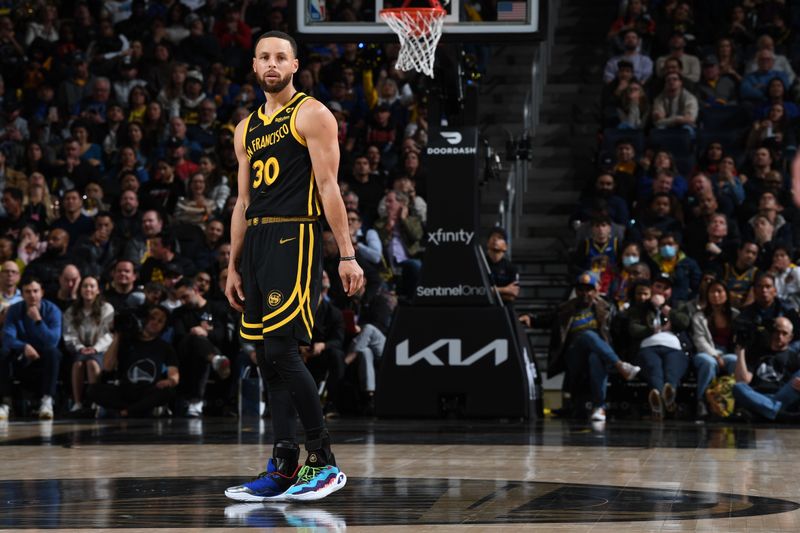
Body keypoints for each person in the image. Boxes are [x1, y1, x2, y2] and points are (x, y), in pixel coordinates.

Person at [224, 32, 363, 503]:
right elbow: (242, 201)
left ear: (295, 65)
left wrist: (345, 253)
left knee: (283, 351)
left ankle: (323, 462)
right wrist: (232, 264)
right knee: (266, 356)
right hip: (258, 240)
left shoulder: (312, 113)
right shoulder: (244, 129)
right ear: (254, 63)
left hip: (295, 236)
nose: (271, 63)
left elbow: (329, 188)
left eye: (280, 56)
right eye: (264, 56)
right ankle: (283, 465)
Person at [521, 271, 641, 422]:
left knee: (596, 358)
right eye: (581, 289)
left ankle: (599, 407)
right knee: (587, 335)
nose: (584, 293)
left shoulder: (608, 309)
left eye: (588, 289)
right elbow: (546, 319)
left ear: (596, 290)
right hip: (573, 357)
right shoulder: (565, 309)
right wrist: (530, 318)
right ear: (575, 291)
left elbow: (619, 330)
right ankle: (620, 365)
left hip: (597, 355)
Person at [87, 305, 179, 418]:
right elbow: (107, 367)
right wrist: (117, 336)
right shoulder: (126, 341)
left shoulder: (165, 347)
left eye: (160, 321)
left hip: (149, 390)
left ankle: (126, 411)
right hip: (125, 390)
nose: (155, 322)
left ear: (164, 327)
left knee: (168, 392)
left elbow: (174, 375)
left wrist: (169, 381)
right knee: (93, 390)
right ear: (145, 319)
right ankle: (139, 409)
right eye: (152, 318)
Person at [627, 273, 692, 420]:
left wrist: (663, 307)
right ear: (652, 288)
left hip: (674, 347)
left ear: (671, 291)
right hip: (647, 347)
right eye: (658, 286)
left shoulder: (679, 305)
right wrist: (652, 329)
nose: (661, 290)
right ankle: (662, 399)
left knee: (671, 370)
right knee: (654, 368)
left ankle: (664, 399)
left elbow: (684, 322)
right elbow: (633, 329)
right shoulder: (640, 308)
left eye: (666, 287)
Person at [0, 277, 62, 420]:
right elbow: (8, 338)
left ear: (42, 293)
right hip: (21, 356)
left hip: (43, 357)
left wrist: (38, 321)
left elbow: (53, 340)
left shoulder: (53, 310)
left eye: (35, 291)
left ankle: (47, 400)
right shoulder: (14, 310)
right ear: (22, 294)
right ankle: (5, 402)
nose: (32, 295)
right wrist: (24, 346)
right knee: (3, 353)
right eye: (28, 292)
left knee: (53, 352)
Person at [172, 278, 232, 417]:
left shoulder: (216, 308)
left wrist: (206, 332)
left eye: (185, 296)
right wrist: (200, 331)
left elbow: (221, 335)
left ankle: (196, 401)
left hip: (204, 352)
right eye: (180, 298)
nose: (183, 301)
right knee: (195, 338)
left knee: (201, 354)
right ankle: (216, 360)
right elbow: (180, 335)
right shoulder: (179, 313)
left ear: (196, 290)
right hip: (185, 352)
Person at [63, 276, 114, 413]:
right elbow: (69, 334)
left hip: (100, 350)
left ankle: (95, 402)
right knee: (78, 364)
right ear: (80, 290)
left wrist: (96, 348)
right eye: (85, 286)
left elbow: (108, 334)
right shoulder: (71, 311)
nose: (88, 289)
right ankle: (78, 403)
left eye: (92, 286)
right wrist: (80, 348)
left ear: (98, 290)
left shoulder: (106, 309)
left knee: (92, 363)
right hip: (80, 349)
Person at [733, 316, 800, 420]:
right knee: (738, 387)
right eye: (777, 332)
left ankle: (767, 412)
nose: (779, 336)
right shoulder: (757, 353)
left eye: (784, 333)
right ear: (771, 332)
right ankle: (778, 414)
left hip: (781, 396)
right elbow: (743, 380)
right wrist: (741, 350)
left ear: (790, 337)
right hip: (757, 397)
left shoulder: (793, 357)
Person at [691, 280, 739, 418]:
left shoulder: (735, 315)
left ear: (726, 294)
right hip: (705, 352)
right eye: (712, 291)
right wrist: (715, 355)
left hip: (727, 353)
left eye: (719, 291)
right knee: (708, 362)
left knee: (735, 361)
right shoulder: (699, 316)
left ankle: (731, 401)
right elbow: (699, 340)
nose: (716, 295)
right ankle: (703, 401)